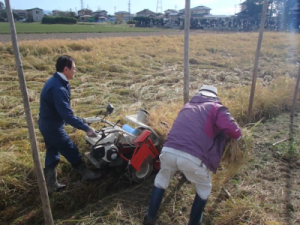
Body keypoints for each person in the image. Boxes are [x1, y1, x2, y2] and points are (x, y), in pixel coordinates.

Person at [143, 85, 242, 225]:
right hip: (193, 157)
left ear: (199, 94)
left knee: (161, 180)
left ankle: (150, 218)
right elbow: (234, 132)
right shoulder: (216, 108)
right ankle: (194, 222)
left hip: (168, 151)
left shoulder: (188, 106)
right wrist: (240, 137)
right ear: (215, 97)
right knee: (204, 188)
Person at [38, 55, 101, 194]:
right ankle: (86, 173)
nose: (75, 71)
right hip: (53, 127)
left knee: (52, 151)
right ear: (66, 69)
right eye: (74, 68)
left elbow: (61, 111)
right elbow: (66, 114)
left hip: (46, 123)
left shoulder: (57, 81)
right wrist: (86, 128)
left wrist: (80, 120)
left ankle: (50, 185)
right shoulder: (57, 88)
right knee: (70, 148)